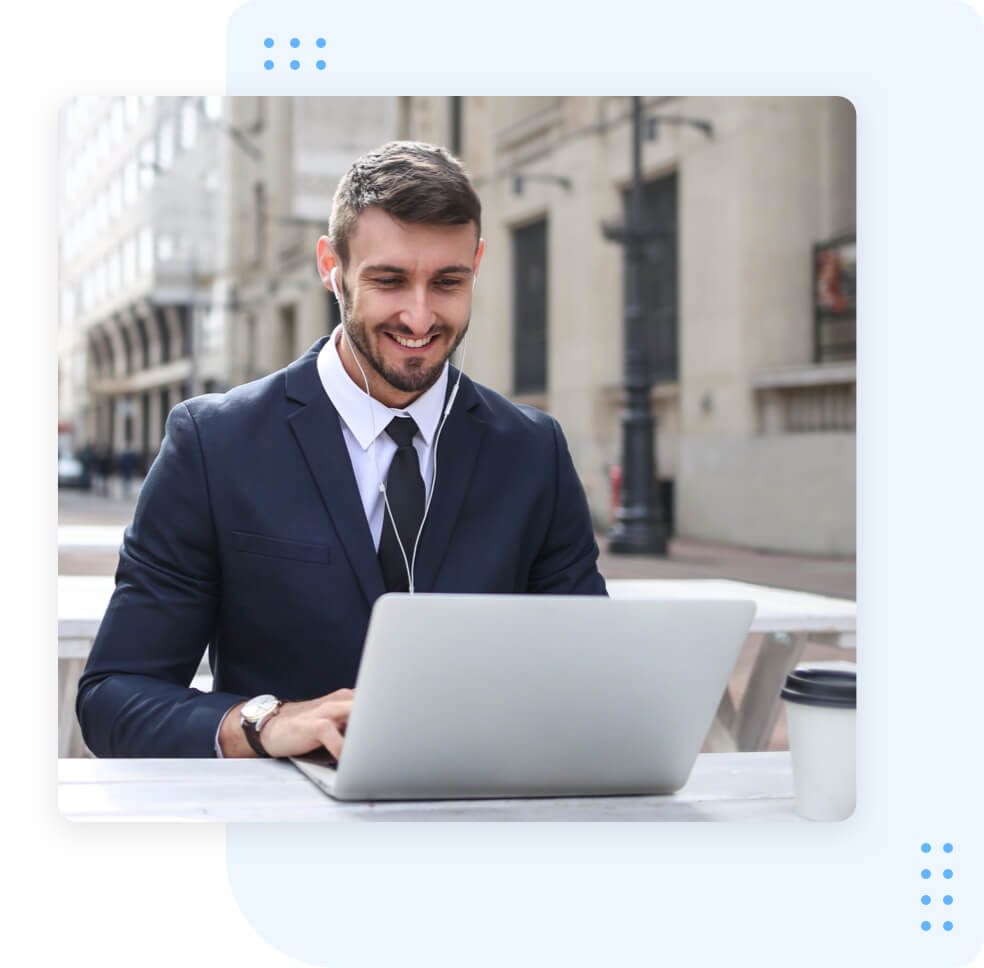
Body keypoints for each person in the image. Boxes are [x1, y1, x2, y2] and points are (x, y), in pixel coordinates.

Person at [76, 141, 607, 760]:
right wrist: (263, 724)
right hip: (285, 826)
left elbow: (588, 670)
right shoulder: (214, 445)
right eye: (389, 280)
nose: (419, 316)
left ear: (477, 264)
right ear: (331, 265)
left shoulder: (532, 450)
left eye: (447, 282)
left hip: (480, 817)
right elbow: (114, 695)